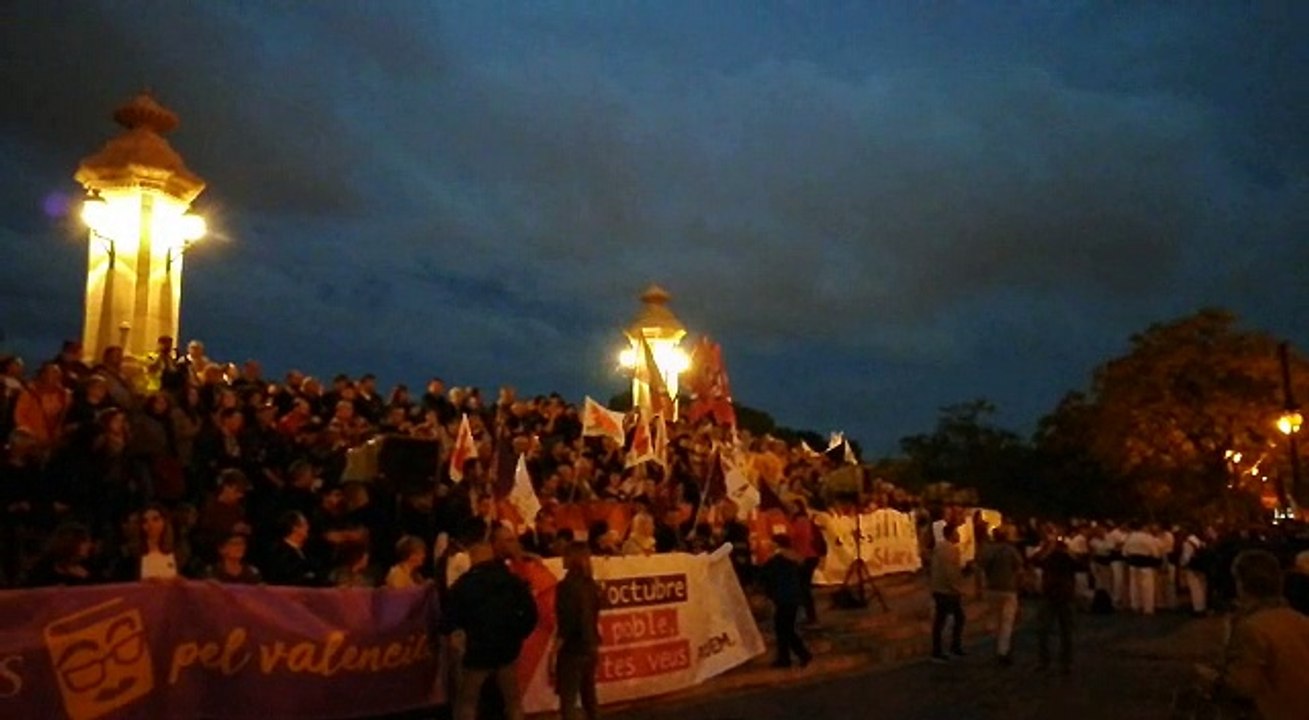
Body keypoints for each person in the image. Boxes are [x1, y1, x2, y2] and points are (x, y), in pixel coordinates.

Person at [1198, 550, 1309, 720]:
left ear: (1241, 584)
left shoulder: (1252, 628)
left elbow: (1242, 685)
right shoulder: (1300, 620)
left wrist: (1212, 679)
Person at [443, 538, 538, 720]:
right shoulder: (512, 581)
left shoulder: (464, 585)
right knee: (513, 702)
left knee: (467, 701)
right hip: (507, 650)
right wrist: (518, 635)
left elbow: (449, 619)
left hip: (477, 651)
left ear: (473, 558)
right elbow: (531, 614)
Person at [552, 541, 602, 720]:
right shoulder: (592, 585)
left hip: (572, 648)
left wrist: (554, 651)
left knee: (569, 700)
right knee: (589, 696)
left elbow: (567, 622)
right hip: (590, 645)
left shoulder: (565, 587)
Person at [758, 534, 813, 669]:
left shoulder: (777, 560)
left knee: (784, 629)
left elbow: (764, 575)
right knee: (784, 628)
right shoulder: (794, 559)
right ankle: (786, 657)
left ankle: (800, 654)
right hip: (792, 597)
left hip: (784, 598)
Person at [979, 525, 1024, 665]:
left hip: (992, 588)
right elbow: (1019, 569)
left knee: (996, 618)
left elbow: (981, 567)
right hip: (1008, 589)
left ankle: (997, 643)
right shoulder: (1010, 551)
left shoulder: (988, 551)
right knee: (1007, 622)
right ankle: (1003, 650)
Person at [1034, 537, 1077, 674]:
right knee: (1065, 631)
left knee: (1045, 630)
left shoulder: (1049, 558)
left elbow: (1035, 560)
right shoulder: (1066, 557)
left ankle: (1045, 661)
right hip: (1063, 595)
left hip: (1052, 595)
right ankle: (1065, 662)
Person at [929, 523, 967, 662]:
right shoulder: (951, 550)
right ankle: (947, 648)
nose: (959, 535)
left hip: (939, 588)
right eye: (957, 533)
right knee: (954, 619)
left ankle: (944, 648)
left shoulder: (938, 548)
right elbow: (950, 572)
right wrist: (958, 588)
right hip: (948, 590)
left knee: (943, 620)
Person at [264, 511, 321, 586]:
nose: (308, 527)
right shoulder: (279, 551)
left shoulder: (307, 550)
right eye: (304, 524)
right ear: (295, 528)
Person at [1122, 521, 1160, 615]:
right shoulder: (1148, 537)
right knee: (1147, 587)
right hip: (1146, 564)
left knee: (1134, 586)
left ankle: (1135, 606)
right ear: (1143, 527)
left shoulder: (1129, 537)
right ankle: (1148, 608)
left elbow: (1124, 552)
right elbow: (1155, 553)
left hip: (1133, 564)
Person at [1179, 528, 1211, 616]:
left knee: (1195, 589)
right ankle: (1203, 607)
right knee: (1202, 588)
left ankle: (1198, 609)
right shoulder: (1200, 542)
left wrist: (1182, 565)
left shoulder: (1188, 543)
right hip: (1202, 567)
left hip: (1192, 568)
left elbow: (1186, 557)